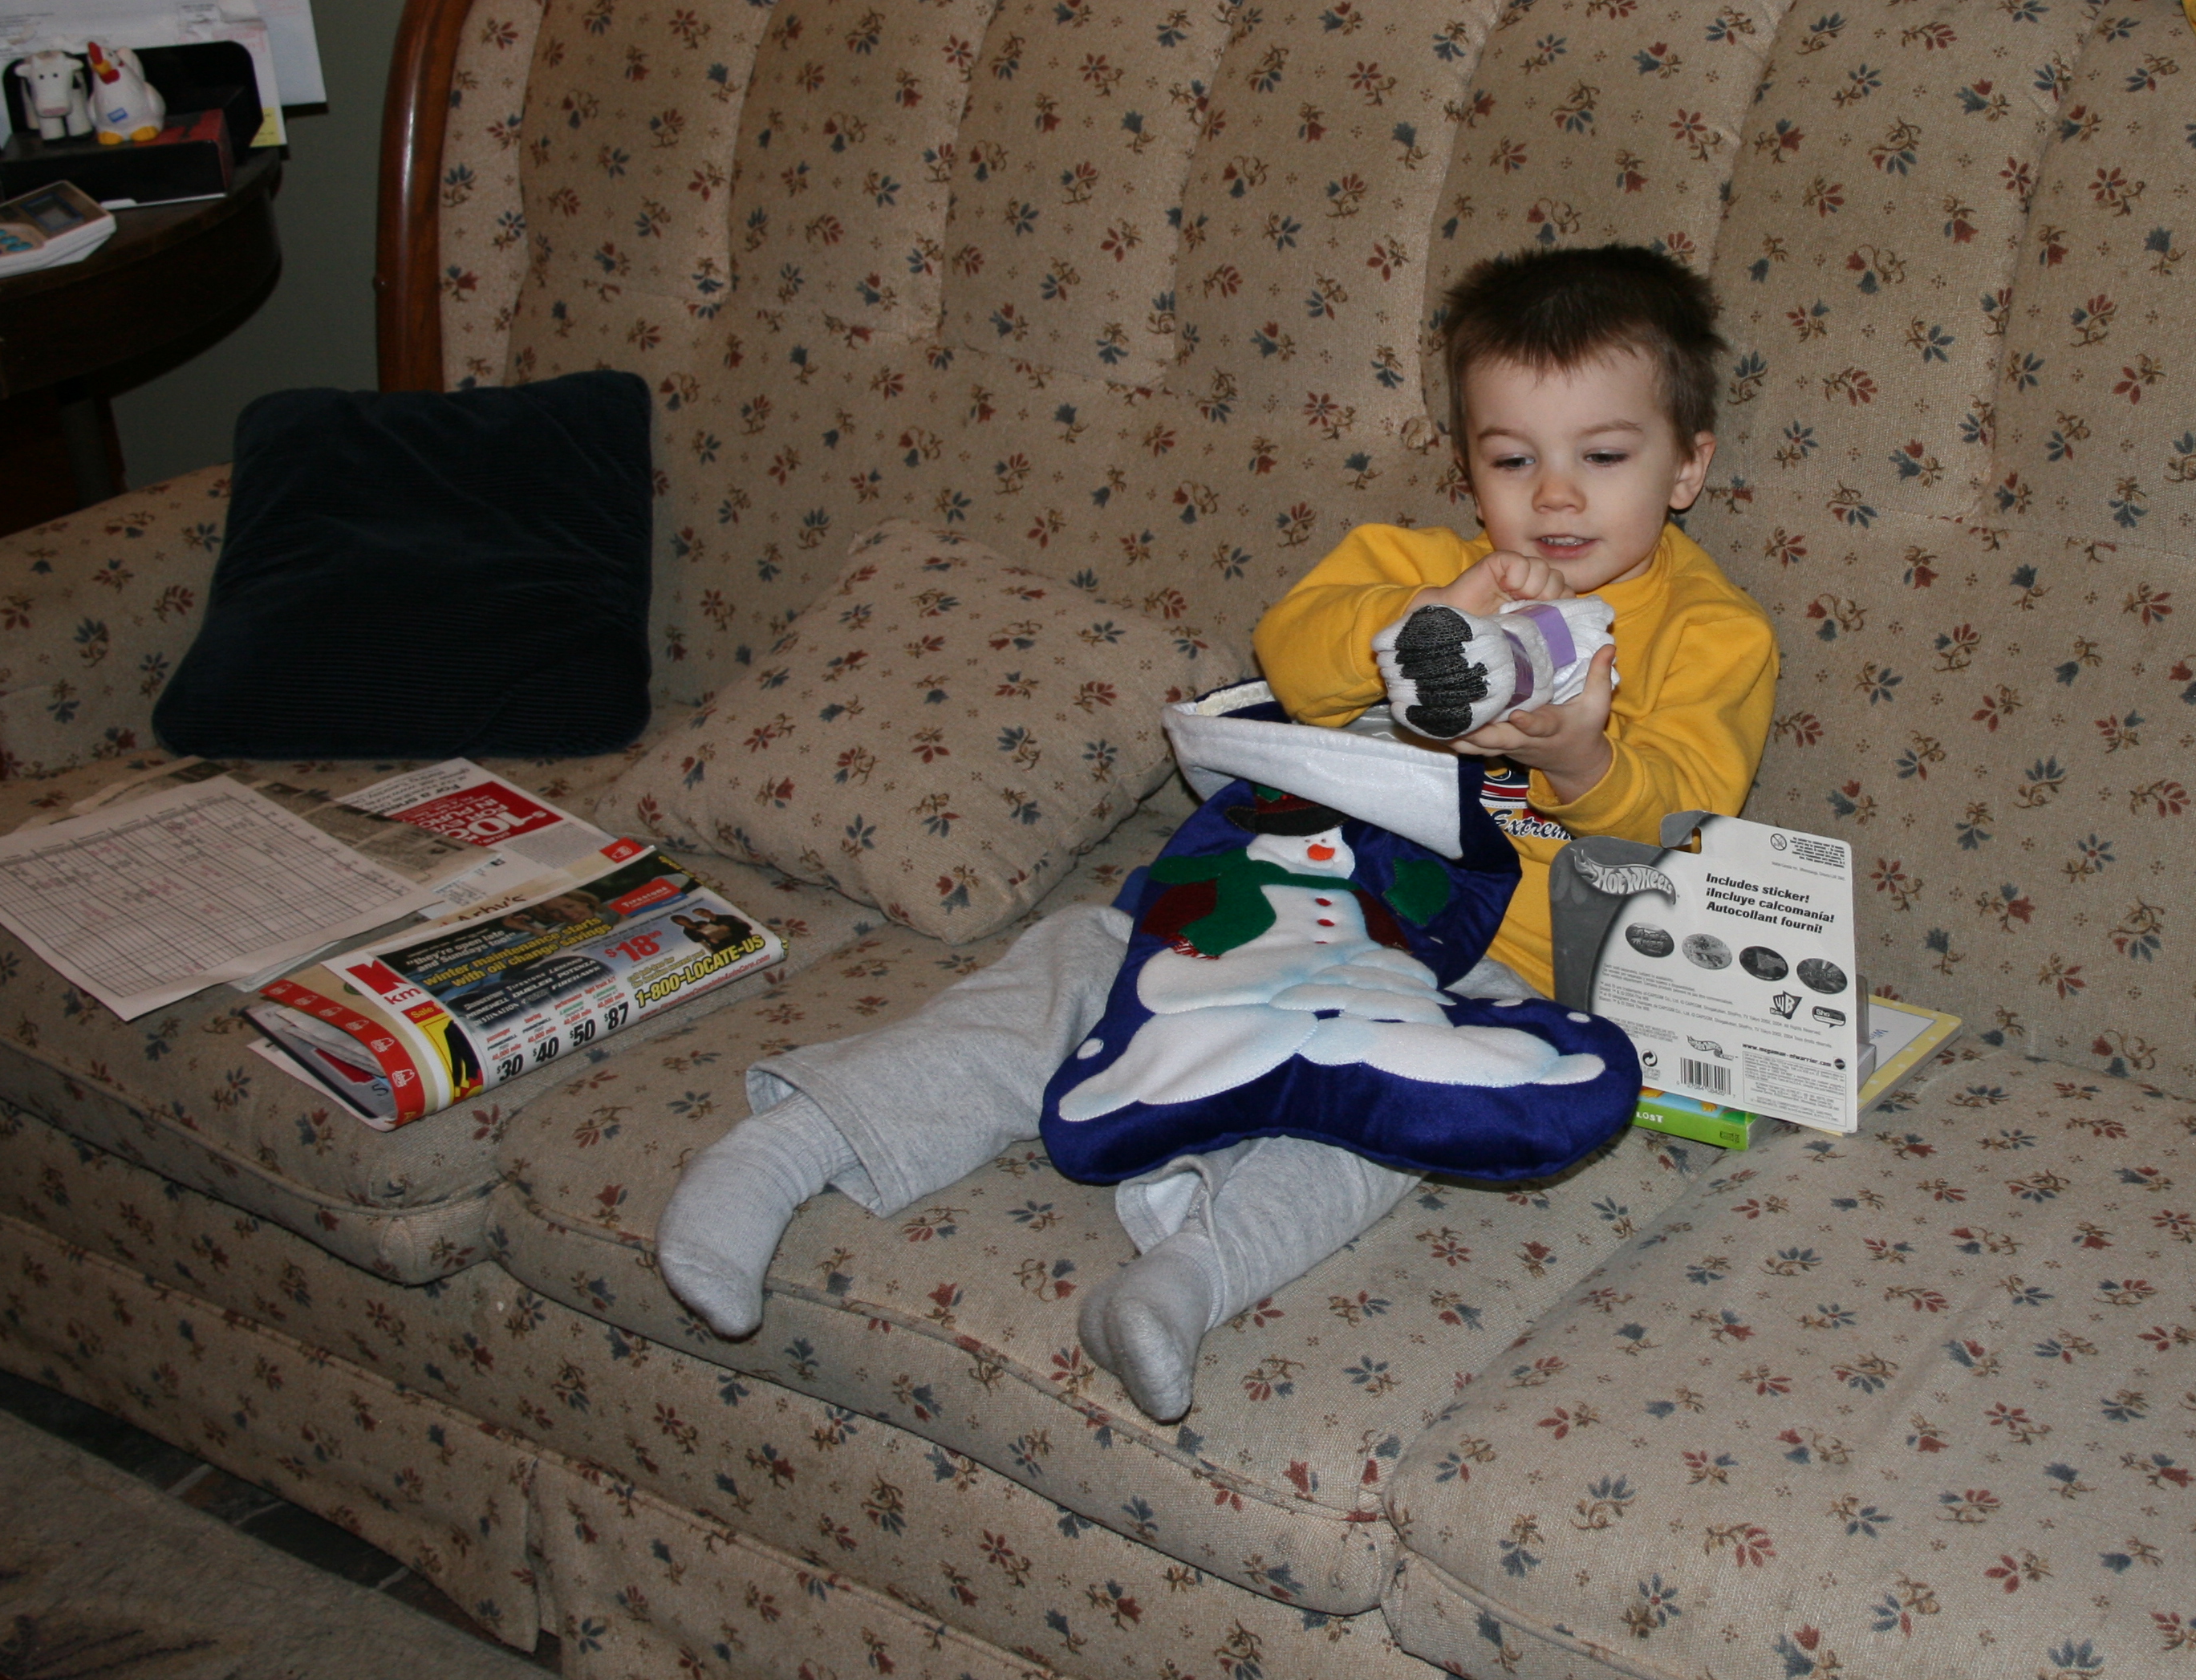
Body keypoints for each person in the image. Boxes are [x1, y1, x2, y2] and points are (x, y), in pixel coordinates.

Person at [654, 243, 1779, 1419]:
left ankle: (1188, 1277)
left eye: (1603, 457)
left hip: (1479, 967)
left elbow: (1681, 812)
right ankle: (786, 1150)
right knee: (1072, 965)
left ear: (1687, 466)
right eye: (1513, 459)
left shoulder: (1713, 634)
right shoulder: (1414, 567)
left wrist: (1579, 760)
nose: (1554, 497)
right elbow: (1291, 650)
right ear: (1468, 468)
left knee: (1388, 1118)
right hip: (1280, 889)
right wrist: (1420, 624)